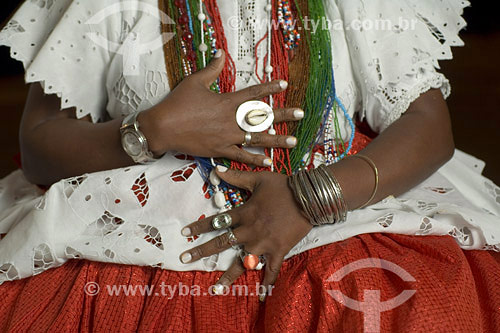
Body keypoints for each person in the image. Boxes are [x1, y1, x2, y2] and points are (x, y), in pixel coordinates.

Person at [0, 0, 499, 331]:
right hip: (151, 224)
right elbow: (41, 144)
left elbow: (428, 126)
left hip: (334, 206)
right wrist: (153, 130)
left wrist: (311, 197)